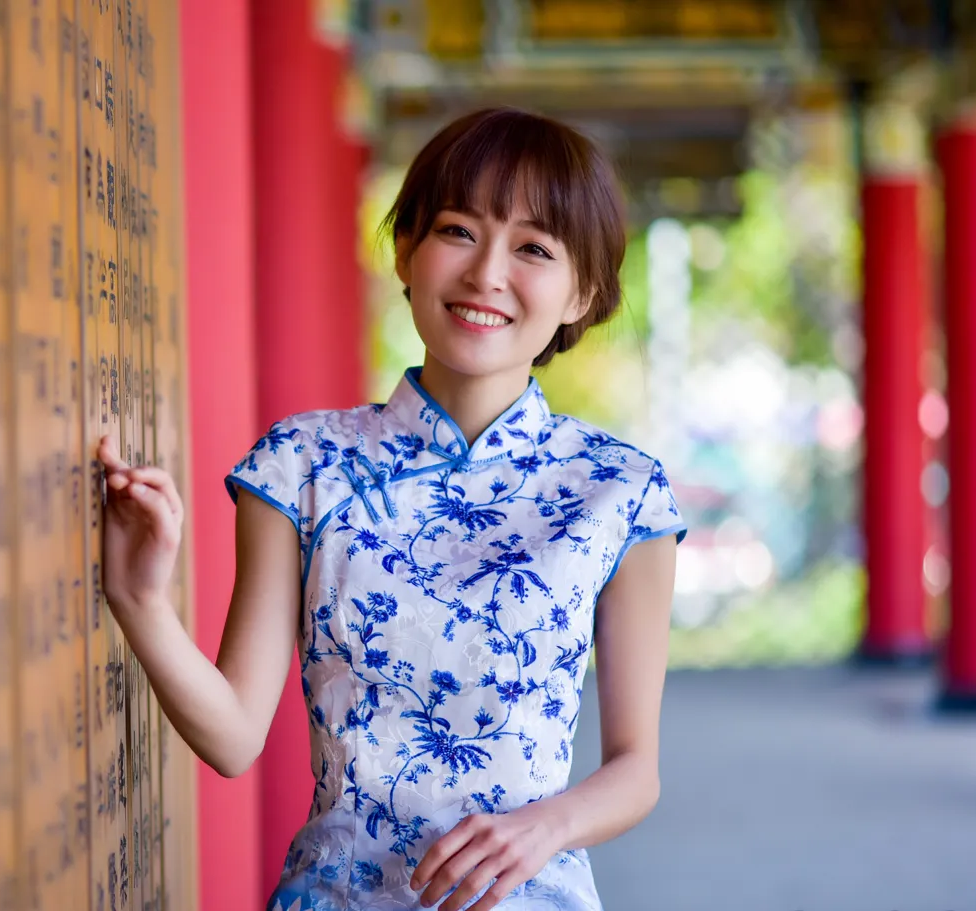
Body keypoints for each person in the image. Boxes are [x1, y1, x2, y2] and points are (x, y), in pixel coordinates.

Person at [97, 107, 686, 911]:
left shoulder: (622, 491)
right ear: (407, 249)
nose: (486, 273)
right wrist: (139, 598)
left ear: (582, 291)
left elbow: (634, 769)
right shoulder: (304, 463)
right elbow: (233, 736)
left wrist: (543, 827)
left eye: (535, 249)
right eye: (457, 230)